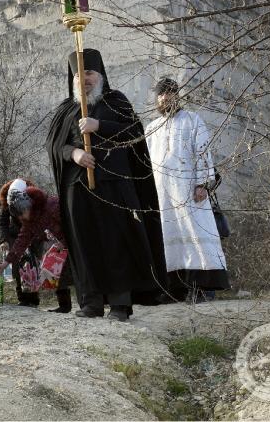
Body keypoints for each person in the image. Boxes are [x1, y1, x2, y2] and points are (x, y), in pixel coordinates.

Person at [45, 49, 166, 321]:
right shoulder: (66, 109)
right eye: (78, 74)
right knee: (84, 243)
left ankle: (120, 303)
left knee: (115, 242)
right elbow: (54, 145)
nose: (84, 79)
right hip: (77, 188)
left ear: (100, 75)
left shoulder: (116, 101)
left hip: (113, 187)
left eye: (89, 73)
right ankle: (91, 302)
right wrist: (74, 153)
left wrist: (99, 125)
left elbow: (134, 133)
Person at [145, 77, 229, 303]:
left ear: (177, 95)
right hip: (163, 194)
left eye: (170, 92)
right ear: (157, 98)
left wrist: (202, 183)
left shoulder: (192, 120)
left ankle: (201, 288)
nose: (165, 97)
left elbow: (202, 151)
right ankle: (174, 289)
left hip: (189, 192)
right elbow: (146, 164)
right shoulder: (151, 128)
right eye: (161, 93)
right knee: (168, 237)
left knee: (195, 234)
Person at [0, 183, 74, 313]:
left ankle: (91, 303)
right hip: (58, 246)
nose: (21, 218)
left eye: (21, 215)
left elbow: (72, 225)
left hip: (74, 243)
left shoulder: (52, 206)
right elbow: (21, 241)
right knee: (55, 268)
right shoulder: (29, 221)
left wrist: (64, 242)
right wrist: (6, 262)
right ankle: (64, 306)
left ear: (27, 207)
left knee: (80, 272)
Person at [0, 178, 42, 308]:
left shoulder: (34, 198)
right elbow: (2, 222)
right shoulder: (7, 200)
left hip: (32, 232)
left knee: (32, 265)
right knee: (17, 265)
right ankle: (22, 298)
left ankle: (33, 298)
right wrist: (4, 240)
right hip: (15, 234)